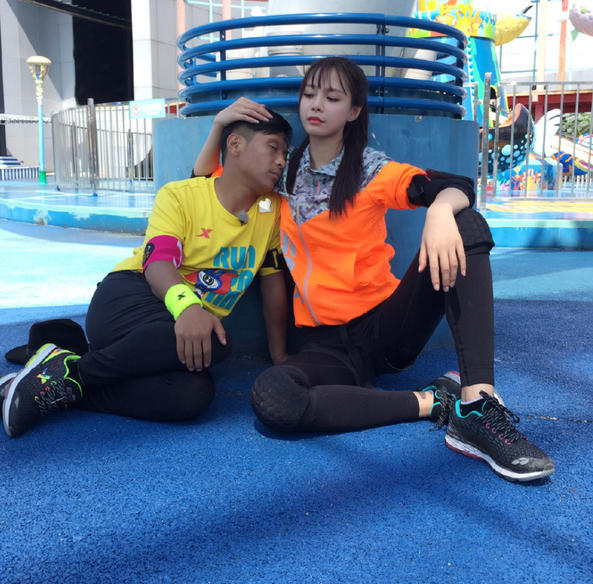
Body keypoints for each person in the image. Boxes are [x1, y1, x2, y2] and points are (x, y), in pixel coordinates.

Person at [193, 57, 554, 483]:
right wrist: (219, 125)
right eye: (310, 94)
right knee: (274, 398)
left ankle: (477, 405)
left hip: (385, 329)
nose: (316, 104)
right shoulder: (281, 172)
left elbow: (455, 186)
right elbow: (204, 185)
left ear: (354, 110)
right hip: (322, 345)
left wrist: (439, 212)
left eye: (332, 97)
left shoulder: (370, 170)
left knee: (465, 222)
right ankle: (434, 403)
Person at [2, 112, 292, 438]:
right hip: (129, 297)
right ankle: (70, 375)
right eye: (273, 147)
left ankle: (61, 376)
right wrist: (188, 307)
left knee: (192, 395)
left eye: (285, 152)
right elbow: (158, 261)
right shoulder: (181, 194)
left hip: (171, 334)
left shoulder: (272, 213)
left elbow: (272, 283)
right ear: (235, 144)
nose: (281, 161)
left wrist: (279, 354)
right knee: (215, 340)